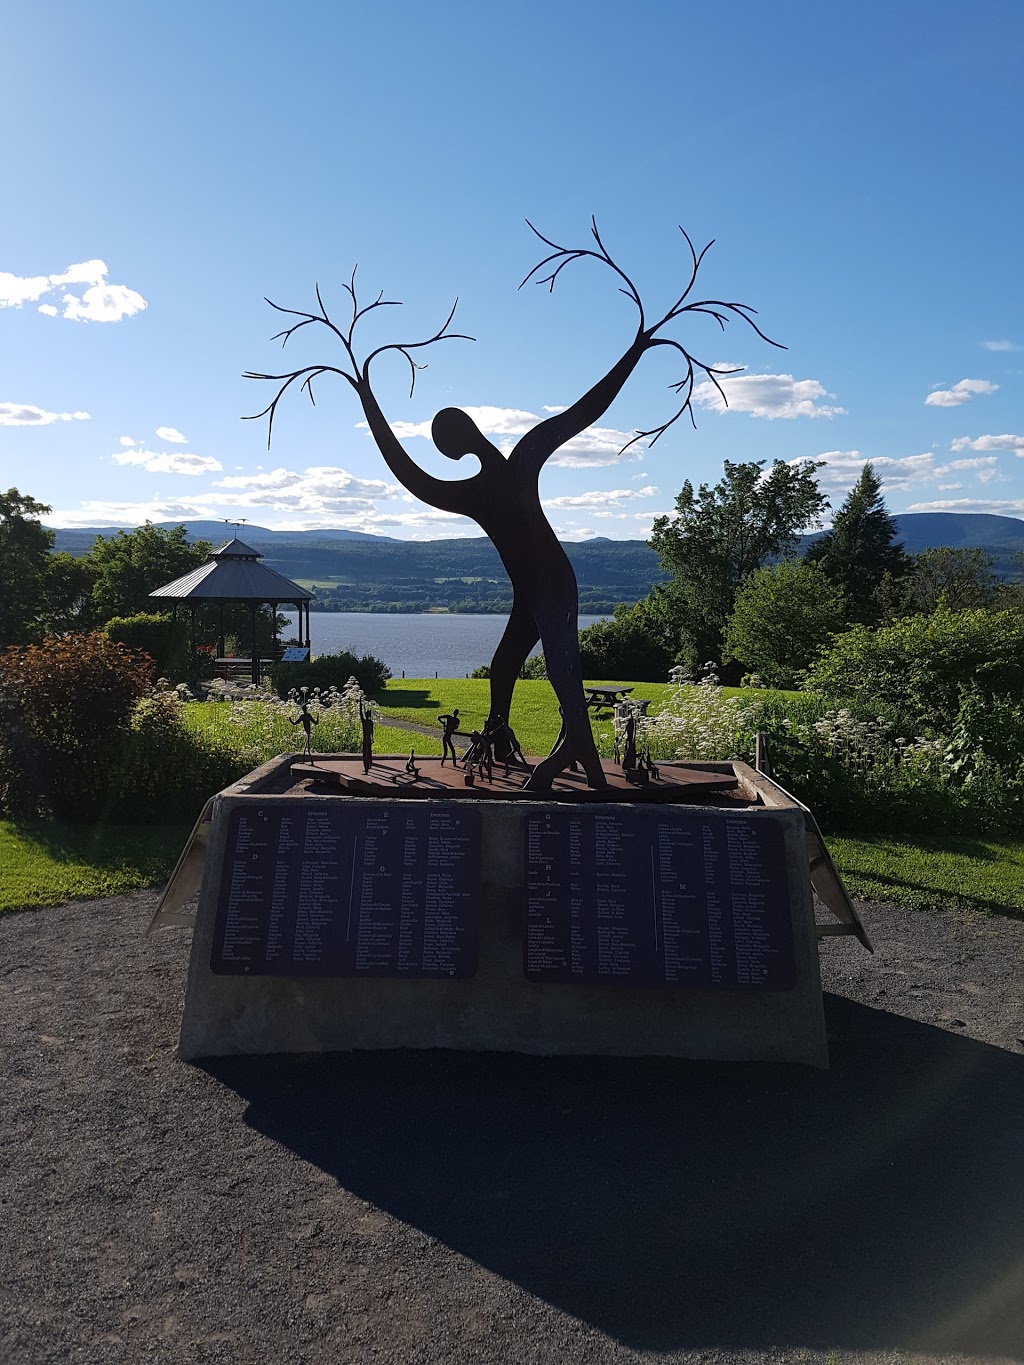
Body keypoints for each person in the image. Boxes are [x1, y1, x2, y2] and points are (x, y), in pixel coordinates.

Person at [290, 690, 318, 759]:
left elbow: (294, 723)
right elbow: (316, 723)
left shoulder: (303, 716)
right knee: (307, 747)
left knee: (307, 747)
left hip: (307, 732)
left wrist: (290, 719)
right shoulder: (308, 715)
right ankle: (307, 760)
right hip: (307, 731)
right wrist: (318, 718)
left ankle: (307, 760)